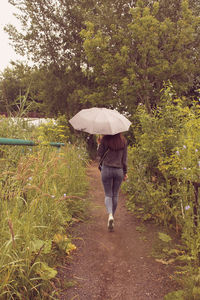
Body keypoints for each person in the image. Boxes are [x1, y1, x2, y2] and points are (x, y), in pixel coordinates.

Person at [97, 133, 128, 231]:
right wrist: (125, 172)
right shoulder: (123, 141)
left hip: (106, 169)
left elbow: (99, 154)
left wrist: (99, 143)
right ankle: (112, 217)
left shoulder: (105, 139)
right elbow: (124, 160)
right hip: (119, 170)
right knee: (115, 195)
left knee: (108, 195)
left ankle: (110, 214)